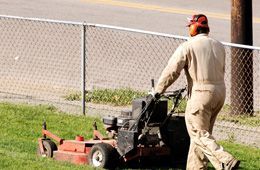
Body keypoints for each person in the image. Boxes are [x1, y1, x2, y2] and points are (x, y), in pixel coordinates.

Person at [154, 14, 240, 170]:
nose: (188, 30)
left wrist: (158, 90)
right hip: (220, 92)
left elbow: (172, 71)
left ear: (194, 28)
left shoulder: (188, 46)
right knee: (200, 137)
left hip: (201, 93)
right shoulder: (219, 45)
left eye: (190, 27)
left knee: (198, 133)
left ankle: (225, 160)